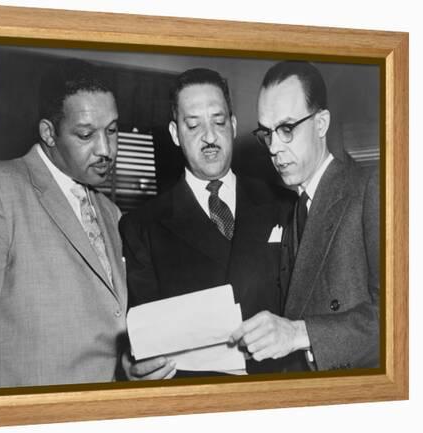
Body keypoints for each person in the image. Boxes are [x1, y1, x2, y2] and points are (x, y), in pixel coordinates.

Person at [119, 68, 296, 380]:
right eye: (193, 125)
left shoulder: (284, 205)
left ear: (234, 125)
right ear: (175, 133)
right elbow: (144, 338)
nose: (210, 138)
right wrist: (136, 368)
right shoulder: (141, 226)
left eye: (218, 122)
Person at [0, 60, 127, 387]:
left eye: (112, 130)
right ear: (49, 133)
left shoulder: (111, 212)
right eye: (86, 134)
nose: (106, 150)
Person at [229, 60, 379, 371]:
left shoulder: (370, 189)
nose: (274, 148)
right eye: (267, 133)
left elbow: (402, 317)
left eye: (286, 129)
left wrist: (301, 333)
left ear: (321, 123)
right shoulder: (290, 206)